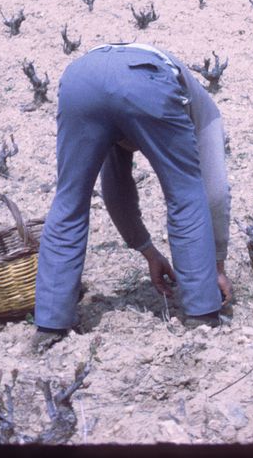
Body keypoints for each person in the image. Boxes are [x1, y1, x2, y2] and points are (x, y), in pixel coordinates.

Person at [31, 42, 231, 351]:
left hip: (80, 81)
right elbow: (213, 192)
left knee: (70, 200)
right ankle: (202, 312)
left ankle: (50, 323)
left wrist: (147, 250)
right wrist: (215, 268)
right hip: (144, 81)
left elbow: (117, 191)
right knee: (185, 193)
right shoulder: (203, 109)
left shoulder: (108, 98)